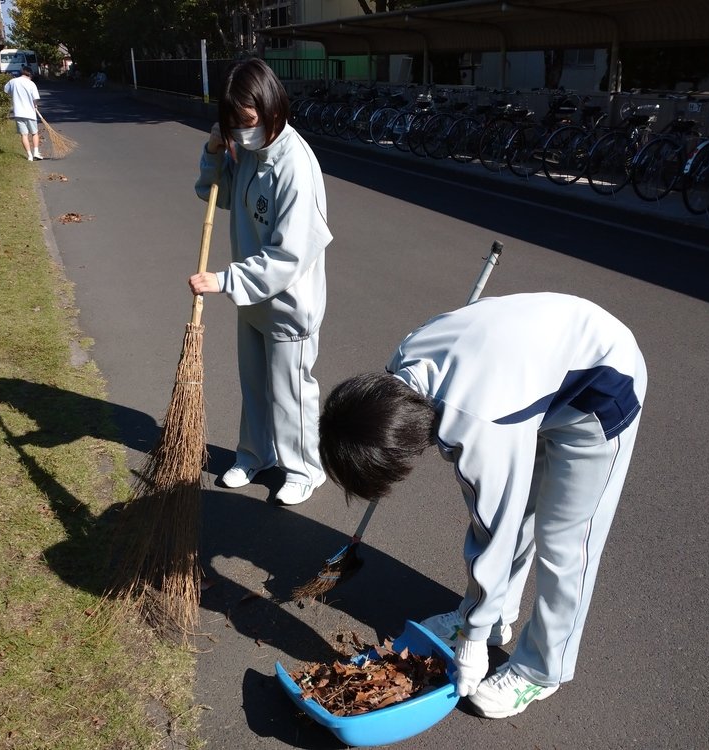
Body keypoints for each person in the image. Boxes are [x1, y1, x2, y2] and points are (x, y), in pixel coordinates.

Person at [317, 293, 647, 719]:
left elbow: (493, 529)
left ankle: (542, 669)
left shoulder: (478, 424)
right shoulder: (404, 361)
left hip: (601, 387)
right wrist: (480, 620)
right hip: (535, 376)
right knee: (521, 512)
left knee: (566, 542)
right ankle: (494, 616)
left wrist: (470, 640)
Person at [189, 58, 332, 506]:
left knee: (290, 391)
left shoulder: (296, 166)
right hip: (252, 299)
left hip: (289, 303)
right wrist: (214, 151)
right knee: (253, 383)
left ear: (272, 108)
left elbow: (290, 255)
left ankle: (304, 469)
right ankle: (255, 454)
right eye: (233, 122)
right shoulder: (249, 151)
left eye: (247, 120)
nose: (242, 130)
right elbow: (218, 193)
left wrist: (225, 279)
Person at [3, 65, 42, 161]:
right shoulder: (31, 84)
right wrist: (35, 105)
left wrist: (14, 94)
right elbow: (36, 98)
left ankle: (29, 156)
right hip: (30, 113)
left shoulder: (13, 81)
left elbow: (6, 90)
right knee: (34, 133)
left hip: (18, 113)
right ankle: (36, 152)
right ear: (30, 74)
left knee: (24, 135)